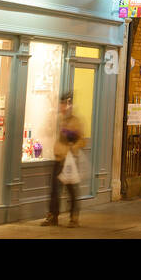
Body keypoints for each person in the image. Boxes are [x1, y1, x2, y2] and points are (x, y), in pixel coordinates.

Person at [43, 94, 86, 228]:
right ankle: (53, 216)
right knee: (54, 189)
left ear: (69, 105)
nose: (61, 107)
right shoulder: (58, 119)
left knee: (71, 189)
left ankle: (74, 218)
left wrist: (73, 147)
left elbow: (82, 140)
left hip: (69, 160)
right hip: (58, 158)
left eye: (64, 104)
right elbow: (48, 131)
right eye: (60, 104)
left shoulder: (75, 121)